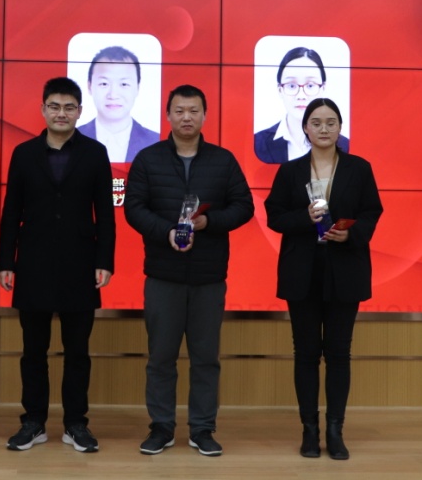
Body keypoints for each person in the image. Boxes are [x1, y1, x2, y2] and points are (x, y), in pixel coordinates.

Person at [123, 85, 254, 458]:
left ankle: (202, 428)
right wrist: (166, 231)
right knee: (160, 357)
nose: (186, 117)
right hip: (162, 275)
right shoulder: (148, 159)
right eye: (179, 111)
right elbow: (134, 208)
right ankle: (161, 427)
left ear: (204, 116)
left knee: (205, 358)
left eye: (193, 111)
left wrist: (208, 222)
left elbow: (244, 206)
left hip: (208, 277)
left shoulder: (223, 161)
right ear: (167, 115)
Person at [0, 77, 116, 453]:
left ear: (80, 111)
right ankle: (33, 422)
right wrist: (5, 262)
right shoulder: (23, 153)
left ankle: (76, 424)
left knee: (77, 351)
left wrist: (104, 260)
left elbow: (106, 214)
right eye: (54, 106)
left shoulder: (95, 153)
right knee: (33, 351)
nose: (61, 113)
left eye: (68, 107)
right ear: (43, 109)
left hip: (81, 264)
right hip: (32, 263)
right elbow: (11, 212)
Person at [264, 98, 382, 460]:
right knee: (306, 354)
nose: (324, 129)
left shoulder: (359, 169)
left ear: (340, 127)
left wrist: (351, 233)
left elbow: (372, 211)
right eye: (316, 122)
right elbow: (274, 216)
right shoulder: (290, 171)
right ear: (305, 128)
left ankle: (335, 430)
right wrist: (305, 218)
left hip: (345, 269)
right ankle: (309, 430)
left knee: (339, 353)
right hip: (302, 270)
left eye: (331, 122)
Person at [254, 46, 350, 164]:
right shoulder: (258, 143)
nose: (301, 95)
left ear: (323, 88)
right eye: (291, 85)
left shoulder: (345, 145)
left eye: (310, 85)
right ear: (280, 90)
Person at [77, 45, 161, 163]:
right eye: (104, 84)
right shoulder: (73, 138)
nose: (113, 95)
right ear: (89, 86)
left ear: (137, 88)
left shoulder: (156, 141)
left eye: (124, 84)